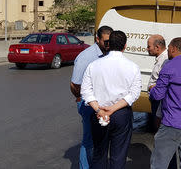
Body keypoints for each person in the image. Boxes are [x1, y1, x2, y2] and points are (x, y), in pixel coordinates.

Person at [81, 30, 142, 169]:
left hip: (99, 113)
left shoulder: (94, 65)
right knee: (118, 156)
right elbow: (134, 93)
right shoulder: (133, 67)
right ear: (125, 46)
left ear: (108, 45)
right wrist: (113, 109)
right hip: (121, 114)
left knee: (99, 154)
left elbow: (85, 91)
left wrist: (99, 109)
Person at [150, 37, 181, 169]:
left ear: (173, 49)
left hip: (173, 122)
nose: (167, 51)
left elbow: (158, 95)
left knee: (158, 163)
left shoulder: (169, 67)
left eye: (168, 49)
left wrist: (152, 89)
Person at [70, 25, 112, 169]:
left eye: (110, 41)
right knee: (88, 140)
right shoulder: (86, 57)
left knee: (101, 139)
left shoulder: (108, 53)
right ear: (97, 39)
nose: (108, 44)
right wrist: (80, 98)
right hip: (88, 105)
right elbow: (75, 84)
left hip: (103, 105)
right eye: (105, 41)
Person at [146, 34, 168, 131]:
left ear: (157, 47)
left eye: (149, 46)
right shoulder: (161, 59)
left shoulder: (165, 61)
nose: (147, 49)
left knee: (159, 130)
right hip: (156, 100)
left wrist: (152, 88)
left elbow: (165, 83)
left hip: (159, 102)